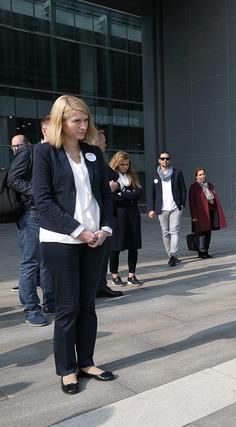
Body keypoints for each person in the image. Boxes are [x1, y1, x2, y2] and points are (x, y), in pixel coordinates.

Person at [32, 95, 116, 395]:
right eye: (76, 121)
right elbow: (43, 201)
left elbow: (105, 196)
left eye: (85, 120)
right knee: (67, 307)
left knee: (87, 305)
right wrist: (80, 231)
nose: (83, 126)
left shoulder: (93, 153)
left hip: (96, 239)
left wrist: (105, 228)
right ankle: (67, 369)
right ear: (60, 122)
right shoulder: (44, 153)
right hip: (62, 241)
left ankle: (87, 362)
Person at [8, 134, 54, 326]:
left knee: (47, 261)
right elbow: (13, 179)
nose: (15, 149)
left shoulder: (54, 153)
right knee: (31, 261)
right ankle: (31, 309)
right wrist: (38, 192)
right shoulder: (27, 151)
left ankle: (50, 303)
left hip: (48, 212)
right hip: (32, 213)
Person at [92, 130, 123, 298]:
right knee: (99, 255)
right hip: (97, 217)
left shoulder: (100, 162)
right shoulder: (91, 161)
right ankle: (96, 287)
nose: (105, 145)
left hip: (106, 215)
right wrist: (109, 187)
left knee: (104, 255)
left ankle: (100, 285)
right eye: (103, 142)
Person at [109, 151, 143, 286]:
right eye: (122, 164)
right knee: (115, 247)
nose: (125, 167)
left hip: (132, 215)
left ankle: (131, 275)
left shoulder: (132, 176)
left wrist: (121, 193)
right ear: (117, 164)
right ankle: (114, 275)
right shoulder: (111, 175)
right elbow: (114, 198)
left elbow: (138, 194)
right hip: (117, 215)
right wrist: (128, 194)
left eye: (127, 164)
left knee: (133, 246)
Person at [148, 151, 186, 267]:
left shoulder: (177, 172)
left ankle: (173, 255)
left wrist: (182, 204)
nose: (165, 160)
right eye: (162, 158)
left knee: (174, 231)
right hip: (161, 208)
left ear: (170, 160)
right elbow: (152, 193)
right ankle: (171, 255)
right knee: (165, 233)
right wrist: (151, 209)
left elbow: (183, 189)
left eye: (167, 158)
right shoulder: (154, 174)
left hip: (175, 207)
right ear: (159, 160)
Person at [188, 167, 227, 258]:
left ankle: (206, 250)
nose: (202, 176)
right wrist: (194, 216)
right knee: (200, 233)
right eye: (200, 175)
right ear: (196, 177)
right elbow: (191, 203)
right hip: (200, 214)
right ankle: (201, 252)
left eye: (203, 174)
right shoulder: (193, 187)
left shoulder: (210, 185)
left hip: (210, 212)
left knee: (208, 233)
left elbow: (214, 197)